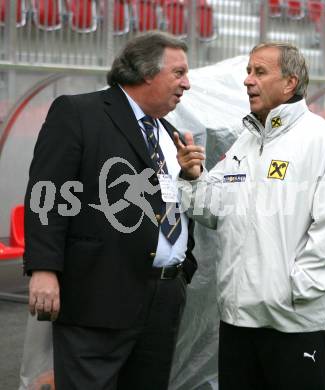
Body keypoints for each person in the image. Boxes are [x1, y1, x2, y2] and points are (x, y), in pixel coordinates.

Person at [174, 42, 325, 390]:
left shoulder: (323, 140)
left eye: (259, 72)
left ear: (289, 83)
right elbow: (211, 210)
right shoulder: (245, 141)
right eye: (247, 71)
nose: (247, 81)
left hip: (294, 323)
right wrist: (193, 176)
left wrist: (291, 291)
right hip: (237, 322)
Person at [24, 31, 197, 390]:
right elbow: (48, 195)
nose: (187, 84)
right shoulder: (79, 112)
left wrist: (191, 178)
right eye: (178, 73)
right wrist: (44, 268)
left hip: (163, 296)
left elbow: (166, 201)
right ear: (146, 72)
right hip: (99, 293)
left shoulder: (169, 132)